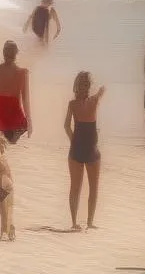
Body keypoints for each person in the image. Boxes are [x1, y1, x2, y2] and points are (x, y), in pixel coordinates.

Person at [65, 71, 104, 230]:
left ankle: (83, 222)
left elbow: (67, 126)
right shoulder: (93, 101)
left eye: (86, 85)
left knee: (83, 187)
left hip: (81, 148)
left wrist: (73, 139)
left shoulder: (73, 104)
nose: (86, 88)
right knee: (83, 187)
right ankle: (82, 222)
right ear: (78, 86)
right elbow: (102, 91)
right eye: (84, 85)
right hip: (87, 149)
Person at [0, 40, 30, 143]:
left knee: (2, 143)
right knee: (11, 143)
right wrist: (29, 122)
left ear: (3, 53)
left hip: (0, 118)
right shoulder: (23, 73)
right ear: (16, 54)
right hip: (16, 120)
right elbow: (26, 100)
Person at [0, 137, 15, 241]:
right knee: (7, 210)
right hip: (9, 185)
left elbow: (1, 166)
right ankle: (9, 231)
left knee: (4, 212)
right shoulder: (1, 159)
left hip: (4, 185)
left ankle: (4, 233)